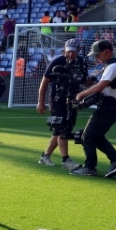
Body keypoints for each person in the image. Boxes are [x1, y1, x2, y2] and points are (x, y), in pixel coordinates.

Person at [70, 40, 116, 177]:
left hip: (109, 108)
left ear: (106, 52)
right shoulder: (113, 65)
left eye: (98, 55)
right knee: (96, 136)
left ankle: (90, 167)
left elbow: (100, 87)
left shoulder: (114, 66)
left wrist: (82, 94)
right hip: (113, 108)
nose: (96, 58)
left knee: (87, 137)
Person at [36, 39, 88, 170]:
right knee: (61, 128)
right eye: (68, 51)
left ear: (79, 51)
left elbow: (83, 80)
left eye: (73, 52)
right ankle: (66, 160)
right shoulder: (57, 61)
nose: (70, 54)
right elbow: (44, 82)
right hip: (57, 100)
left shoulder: (81, 62)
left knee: (61, 130)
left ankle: (45, 157)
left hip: (72, 100)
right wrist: (40, 102)